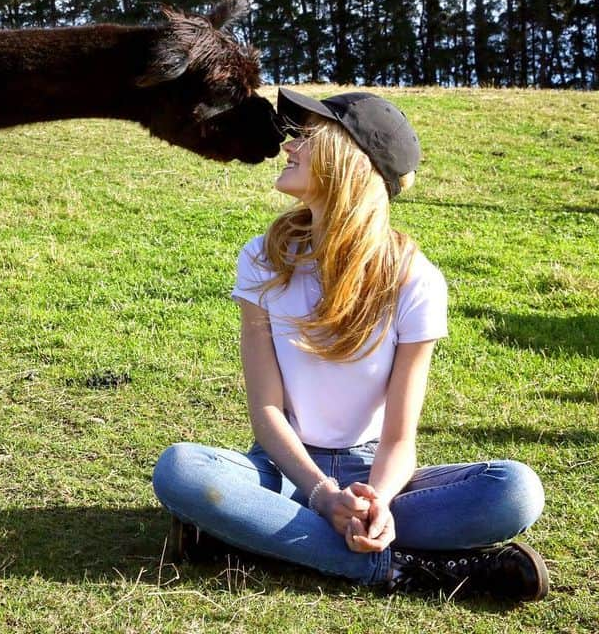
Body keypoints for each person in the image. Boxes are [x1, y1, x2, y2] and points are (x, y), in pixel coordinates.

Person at [151, 89, 548, 602]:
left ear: (349, 162)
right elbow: (267, 411)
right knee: (181, 471)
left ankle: (252, 540)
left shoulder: (414, 281)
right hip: (285, 471)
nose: (289, 146)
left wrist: (377, 501)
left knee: (515, 491)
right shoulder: (262, 261)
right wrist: (320, 495)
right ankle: (402, 569)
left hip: (374, 475)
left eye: (306, 136)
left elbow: (400, 438)